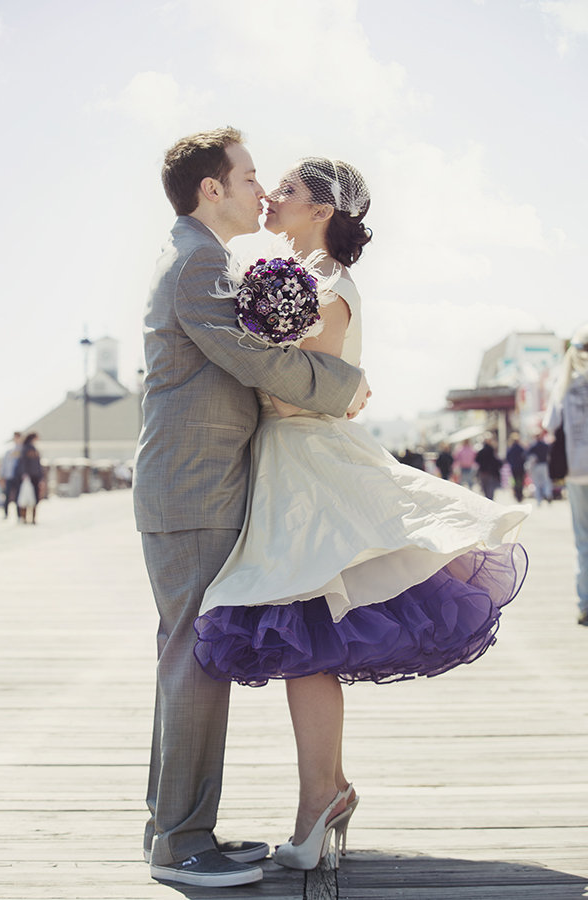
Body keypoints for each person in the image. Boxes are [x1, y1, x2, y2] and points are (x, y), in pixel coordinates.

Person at [194, 157, 529, 872]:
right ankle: (323, 797)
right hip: (292, 473)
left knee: (303, 639)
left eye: (287, 189)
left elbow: (297, 395)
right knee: (301, 644)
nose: (273, 196)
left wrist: (245, 352)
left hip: (313, 474)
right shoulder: (300, 280)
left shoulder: (330, 288)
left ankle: (321, 801)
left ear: (321, 210)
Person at [132, 128, 371, 889]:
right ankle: (179, 842)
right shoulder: (199, 259)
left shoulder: (205, 257)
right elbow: (246, 356)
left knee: (193, 660)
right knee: (192, 664)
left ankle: (183, 829)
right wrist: (342, 387)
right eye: (248, 176)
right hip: (192, 488)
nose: (259, 188)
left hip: (203, 486)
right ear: (213, 188)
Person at [543, 322, 588, 625]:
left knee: (583, 540)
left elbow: (549, 424)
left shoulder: (563, 384)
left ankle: (585, 603)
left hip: (575, 472)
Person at [16, 433, 44, 524]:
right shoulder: (25, 449)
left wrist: (41, 477)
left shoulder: (35, 450)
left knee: (34, 498)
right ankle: (24, 517)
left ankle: (33, 518)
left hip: (35, 477)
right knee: (25, 498)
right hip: (28, 477)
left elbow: (39, 465)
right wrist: (24, 474)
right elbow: (23, 463)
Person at [0, 432, 22, 519]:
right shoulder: (9, 451)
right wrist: (1, 476)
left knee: (18, 496)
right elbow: (4, 464)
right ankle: (5, 514)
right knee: (7, 495)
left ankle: (19, 515)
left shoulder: (22, 450)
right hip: (9, 476)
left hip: (18, 477)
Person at [526, 431, 553, 506]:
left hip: (537, 466)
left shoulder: (533, 446)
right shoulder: (545, 445)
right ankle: (548, 494)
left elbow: (526, 454)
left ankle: (539, 500)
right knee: (546, 481)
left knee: (537, 483)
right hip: (544, 465)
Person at [475, 434, 502, 501]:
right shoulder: (491, 450)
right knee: (490, 489)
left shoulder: (481, 450)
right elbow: (495, 461)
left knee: (485, 488)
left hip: (483, 472)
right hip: (490, 472)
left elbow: (477, 460)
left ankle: (487, 501)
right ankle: (489, 502)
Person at [506, 432, 527, 503]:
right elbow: (524, 457)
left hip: (514, 467)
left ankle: (517, 494)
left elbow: (507, 458)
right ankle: (519, 494)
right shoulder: (520, 448)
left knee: (515, 481)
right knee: (520, 481)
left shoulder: (511, 448)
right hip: (520, 467)